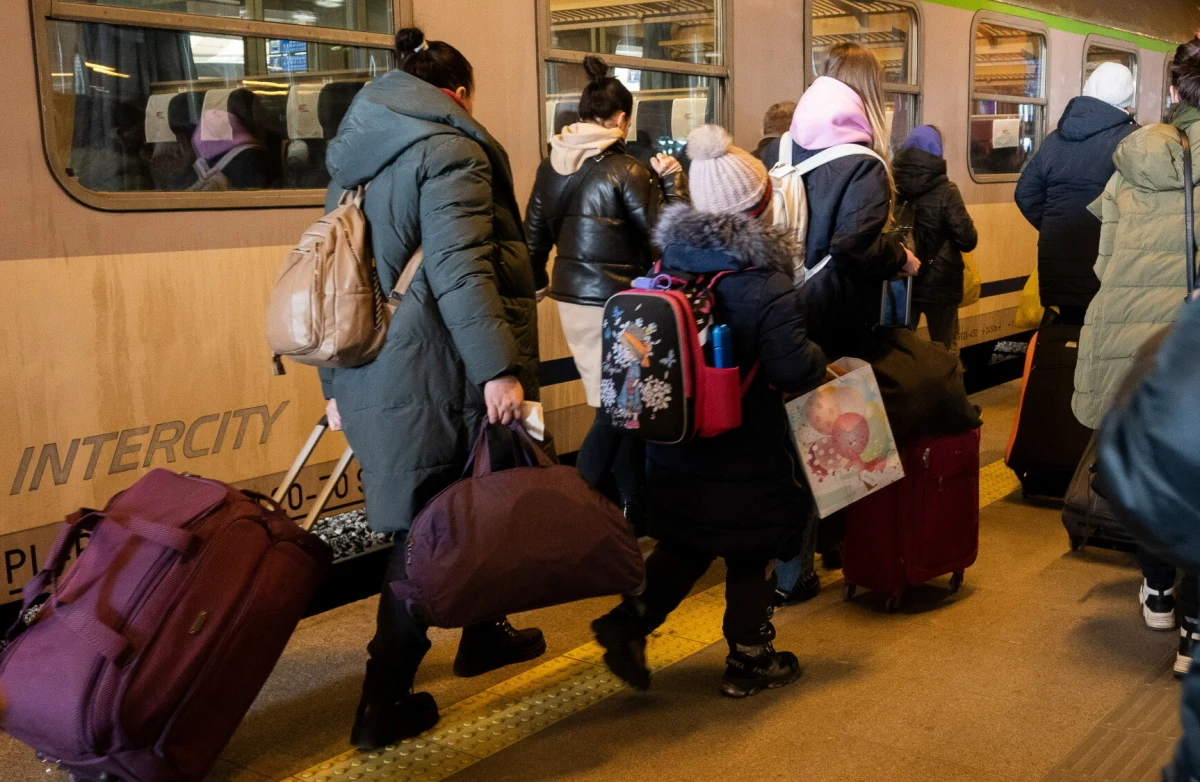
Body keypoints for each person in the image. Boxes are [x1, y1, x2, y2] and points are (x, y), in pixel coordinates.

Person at [320, 27, 546, 751]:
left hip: (373, 360)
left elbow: (332, 276)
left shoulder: (359, 150)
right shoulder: (453, 150)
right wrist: (497, 370)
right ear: (458, 96)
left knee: (467, 499)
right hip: (435, 366)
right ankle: (381, 701)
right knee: (427, 527)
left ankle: (483, 634)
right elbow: (459, 272)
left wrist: (333, 380)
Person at [590, 125, 827, 698]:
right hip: (746, 444)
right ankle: (750, 660)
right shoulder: (764, 281)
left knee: (687, 542)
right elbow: (795, 370)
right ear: (757, 204)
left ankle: (628, 624)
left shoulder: (669, 262)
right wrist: (823, 353)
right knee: (752, 548)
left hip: (673, 443)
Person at [759, 42, 917, 603]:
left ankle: (798, 559)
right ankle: (816, 563)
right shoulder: (864, 163)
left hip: (784, 308)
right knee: (836, 443)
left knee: (788, 441)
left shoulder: (783, 145)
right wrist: (898, 258)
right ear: (869, 93)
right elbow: (854, 245)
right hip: (838, 315)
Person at [1074, 39, 1200, 657]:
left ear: (1173, 94)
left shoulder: (1134, 157)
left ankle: (1156, 590)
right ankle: (1194, 636)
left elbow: (1105, 262)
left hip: (1136, 342)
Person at [525, 55, 688, 519]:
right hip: (616, 303)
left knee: (614, 403)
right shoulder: (628, 170)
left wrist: (537, 282)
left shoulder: (552, 163)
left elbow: (534, 233)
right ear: (620, 118)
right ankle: (575, 510)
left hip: (570, 298)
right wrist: (673, 184)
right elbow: (664, 237)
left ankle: (633, 506)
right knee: (616, 410)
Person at [1015, 62, 1139, 324]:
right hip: (1108, 268)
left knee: (1068, 344)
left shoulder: (1054, 140)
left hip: (1058, 266)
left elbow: (1025, 193)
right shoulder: (1132, 140)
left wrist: (1055, 226)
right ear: (1128, 101)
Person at [893, 125, 978, 350]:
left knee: (900, 349)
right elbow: (968, 240)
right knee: (945, 350)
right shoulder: (946, 191)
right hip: (940, 284)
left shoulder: (892, 187)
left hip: (903, 278)